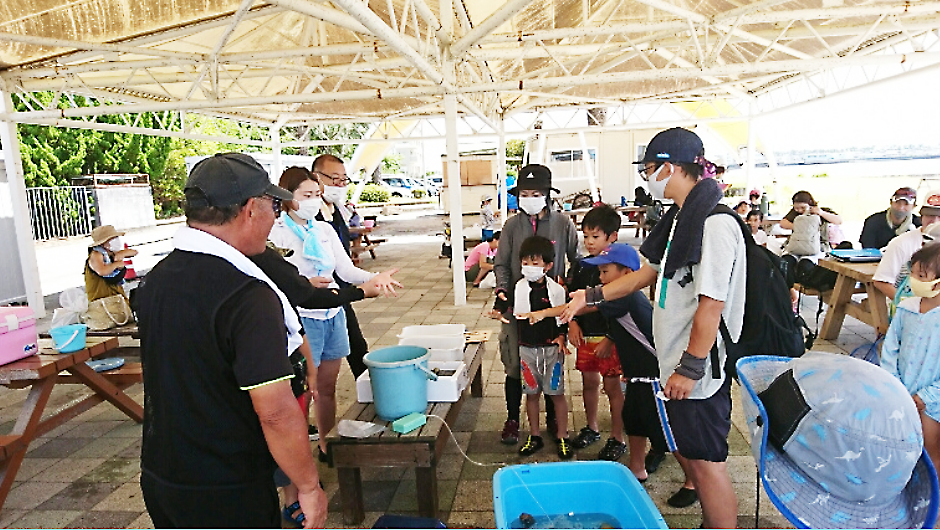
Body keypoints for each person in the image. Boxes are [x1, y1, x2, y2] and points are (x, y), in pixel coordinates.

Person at [562, 128, 743, 528]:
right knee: (694, 454)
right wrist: (591, 297)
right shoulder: (681, 217)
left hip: (699, 368)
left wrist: (691, 366)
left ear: (671, 167)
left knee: (706, 463)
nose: (646, 177)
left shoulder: (713, 224)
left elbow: (712, 303)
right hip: (675, 357)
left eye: (648, 168)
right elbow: (648, 272)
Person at [136, 152, 327, 528]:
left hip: (162, 474)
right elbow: (274, 410)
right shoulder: (246, 295)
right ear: (250, 208)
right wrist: (308, 486)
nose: (277, 216)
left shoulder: (156, 279)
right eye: (274, 205)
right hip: (226, 484)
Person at [249, 244, 389, 527]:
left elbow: (297, 314)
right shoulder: (248, 260)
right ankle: (296, 492)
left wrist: (310, 367)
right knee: (280, 425)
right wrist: (361, 291)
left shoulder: (265, 256)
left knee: (293, 421)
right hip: (267, 367)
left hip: (292, 352)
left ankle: (295, 492)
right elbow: (307, 296)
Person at [269, 166, 401, 464]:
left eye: (317, 194)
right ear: (289, 197)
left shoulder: (324, 229)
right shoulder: (276, 233)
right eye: (307, 195)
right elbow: (278, 280)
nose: (314, 200)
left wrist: (375, 277)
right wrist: (303, 286)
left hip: (333, 315)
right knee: (302, 390)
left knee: (326, 387)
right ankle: (297, 451)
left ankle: (327, 443)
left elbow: (345, 271)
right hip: (302, 319)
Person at [489, 164, 579, 446]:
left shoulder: (563, 223)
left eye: (536, 193)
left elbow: (576, 258)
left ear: (547, 195)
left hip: (552, 307)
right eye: (524, 193)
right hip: (519, 307)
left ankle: (554, 418)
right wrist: (503, 290)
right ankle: (513, 420)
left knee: (551, 361)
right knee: (516, 364)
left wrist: (572, 289)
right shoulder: (512, 225)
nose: (529, 198)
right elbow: (501, 263)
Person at [563, 205, 627, 459]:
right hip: (585, 337)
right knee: (588, 383)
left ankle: (618, 437)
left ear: (612, 236)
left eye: (595, 237)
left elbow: (623, 308)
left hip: (609, 338)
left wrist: (611, 339)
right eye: (585, 236)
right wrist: (572, 323)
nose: (589, 242)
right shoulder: (579, 266)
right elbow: (572, 300)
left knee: (613, 388)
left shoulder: (618, 267)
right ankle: (592, 427)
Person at [312, 154, 373, 383]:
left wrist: (371, 278)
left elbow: (345, 264)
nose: (340, 184)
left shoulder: (336, 209)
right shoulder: (309, 214)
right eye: (334, 178)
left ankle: (370, 391)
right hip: (319, 295)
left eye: (344, 179)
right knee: (316, 368)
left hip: (341, 288)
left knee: (357, 346)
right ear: (316, 177)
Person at [510, 235, 572, 459]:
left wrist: (561, 337)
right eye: (525, 262)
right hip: (526, 348)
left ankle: (563, 436)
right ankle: (534, 435)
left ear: (548, 265)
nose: (529, 267)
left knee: (556, 393)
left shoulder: (555, 290)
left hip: (551, 349)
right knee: (532, 393)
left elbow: (563, 316)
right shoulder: (518, 288)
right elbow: (513, 311)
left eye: (535, 263)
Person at [881, 243, 940, 472]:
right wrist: (893, 383)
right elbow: (891, 347)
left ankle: (933, 502)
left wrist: (926, 396)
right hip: (901, 393)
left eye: (921, 275)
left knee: (930, 451)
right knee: (902, 447)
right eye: (913, 273)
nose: (913, 279)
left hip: (933, 401)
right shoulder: (907, 308)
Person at [873, 191, 940, 314]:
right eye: (929, 215)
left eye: (939, 216)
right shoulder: (900, 243)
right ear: (921, 216)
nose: (934, 221)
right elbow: (881, 281)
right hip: (908, 311)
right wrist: (906, 305)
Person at [85, 224, 137, 303]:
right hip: (101, 301)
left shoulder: (111, 252)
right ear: (103, 243)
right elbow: (102, 271)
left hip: (116, 297)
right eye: (112, 239)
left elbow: (134, 252)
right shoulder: (96, 255)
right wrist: (116, 264)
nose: (116, 241)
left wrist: (122, 254)